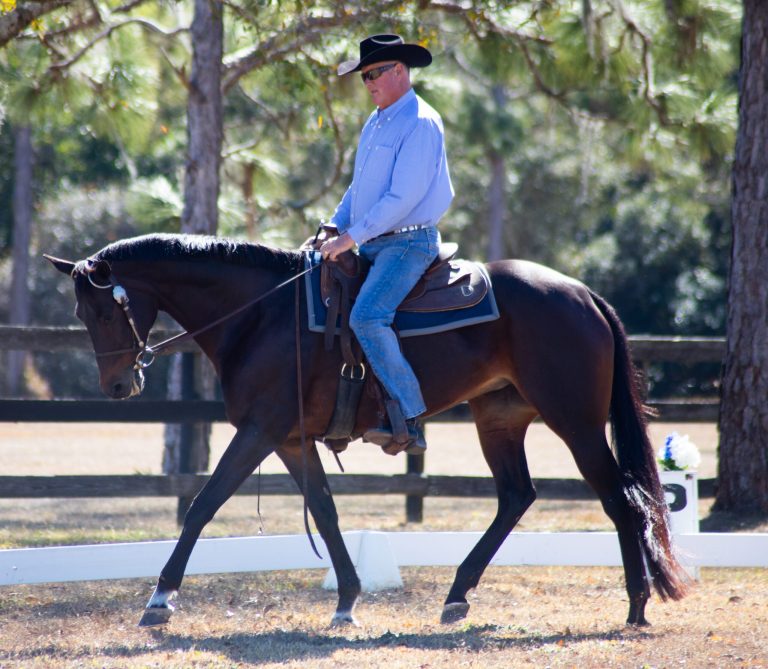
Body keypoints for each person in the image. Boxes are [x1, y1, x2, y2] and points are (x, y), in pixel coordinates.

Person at [320, 34, 454, 454]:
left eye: (374, 73)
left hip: (408, 243)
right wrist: (333, 225)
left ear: (400, 70)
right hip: (376, 243)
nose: (368, 83)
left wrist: (350, 239)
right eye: (363, 77)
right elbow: (360, 190)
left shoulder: (419, 121)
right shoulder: (376, 121)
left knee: (368, 318)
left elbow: (403, 198)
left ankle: (411, 419)